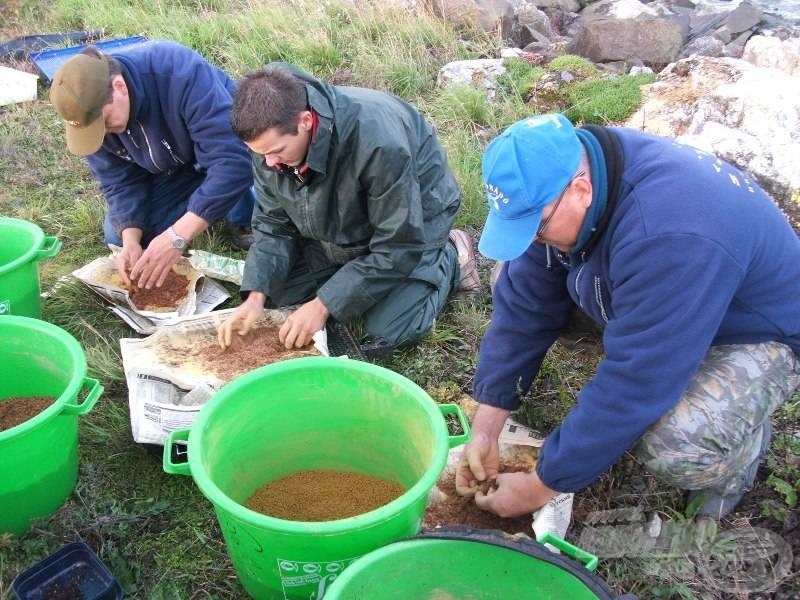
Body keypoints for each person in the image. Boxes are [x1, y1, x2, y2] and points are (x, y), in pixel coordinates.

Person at [456, 113, 800, 520]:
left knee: (673, 442)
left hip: (757, 331)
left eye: (538, 227)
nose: (534, 239)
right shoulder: (567, 175)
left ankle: (740, 446)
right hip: (672, 299)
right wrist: (487, 424)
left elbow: (637, 380)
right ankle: (653, 341)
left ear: (581, 190)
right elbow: (524, 308)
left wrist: (537, 487)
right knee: (511, 276)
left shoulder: (669, 233)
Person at [217, 64, 481, 351]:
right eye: (260, 154)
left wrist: (322, 305)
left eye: (277, 152)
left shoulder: (379, 143)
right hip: (337, 224)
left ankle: (451, 256)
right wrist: (256, 295)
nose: (269, 163)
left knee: (390, 330)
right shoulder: (270, 143)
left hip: (413, 223)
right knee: (277, 295)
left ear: (305, 121)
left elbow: (397, 244)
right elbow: (272, 225)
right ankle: (344, 274)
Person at [49, 40, 256, 289]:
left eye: (104, 122)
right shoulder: (91, 121)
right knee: (120, 235)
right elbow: (118, 182)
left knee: (241, 170)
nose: (103, 133)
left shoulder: (178, 71)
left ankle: (241, 209)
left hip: (223, 150)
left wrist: (176, 236)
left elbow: (232, 158)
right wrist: (131, 240)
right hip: (174, 169)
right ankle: (208, 205)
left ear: (119, 87)